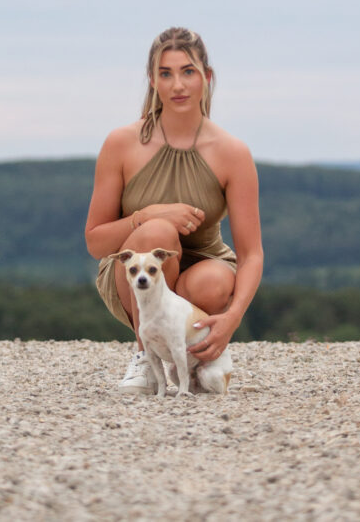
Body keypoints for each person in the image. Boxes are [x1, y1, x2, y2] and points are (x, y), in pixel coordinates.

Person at [84, 27, 264, 393]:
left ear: (207, 77)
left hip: (202, 269)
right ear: (152, 80)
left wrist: (231, 318)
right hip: (136, 273)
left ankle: (197, 360)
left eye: (188, 72)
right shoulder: (121, 144)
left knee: (212, 282)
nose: (177, 85)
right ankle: (145, 359)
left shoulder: (232, 153)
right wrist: (148, 215)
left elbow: (251, 255)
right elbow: (95, 242)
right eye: (165, 73)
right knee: (155, 235)